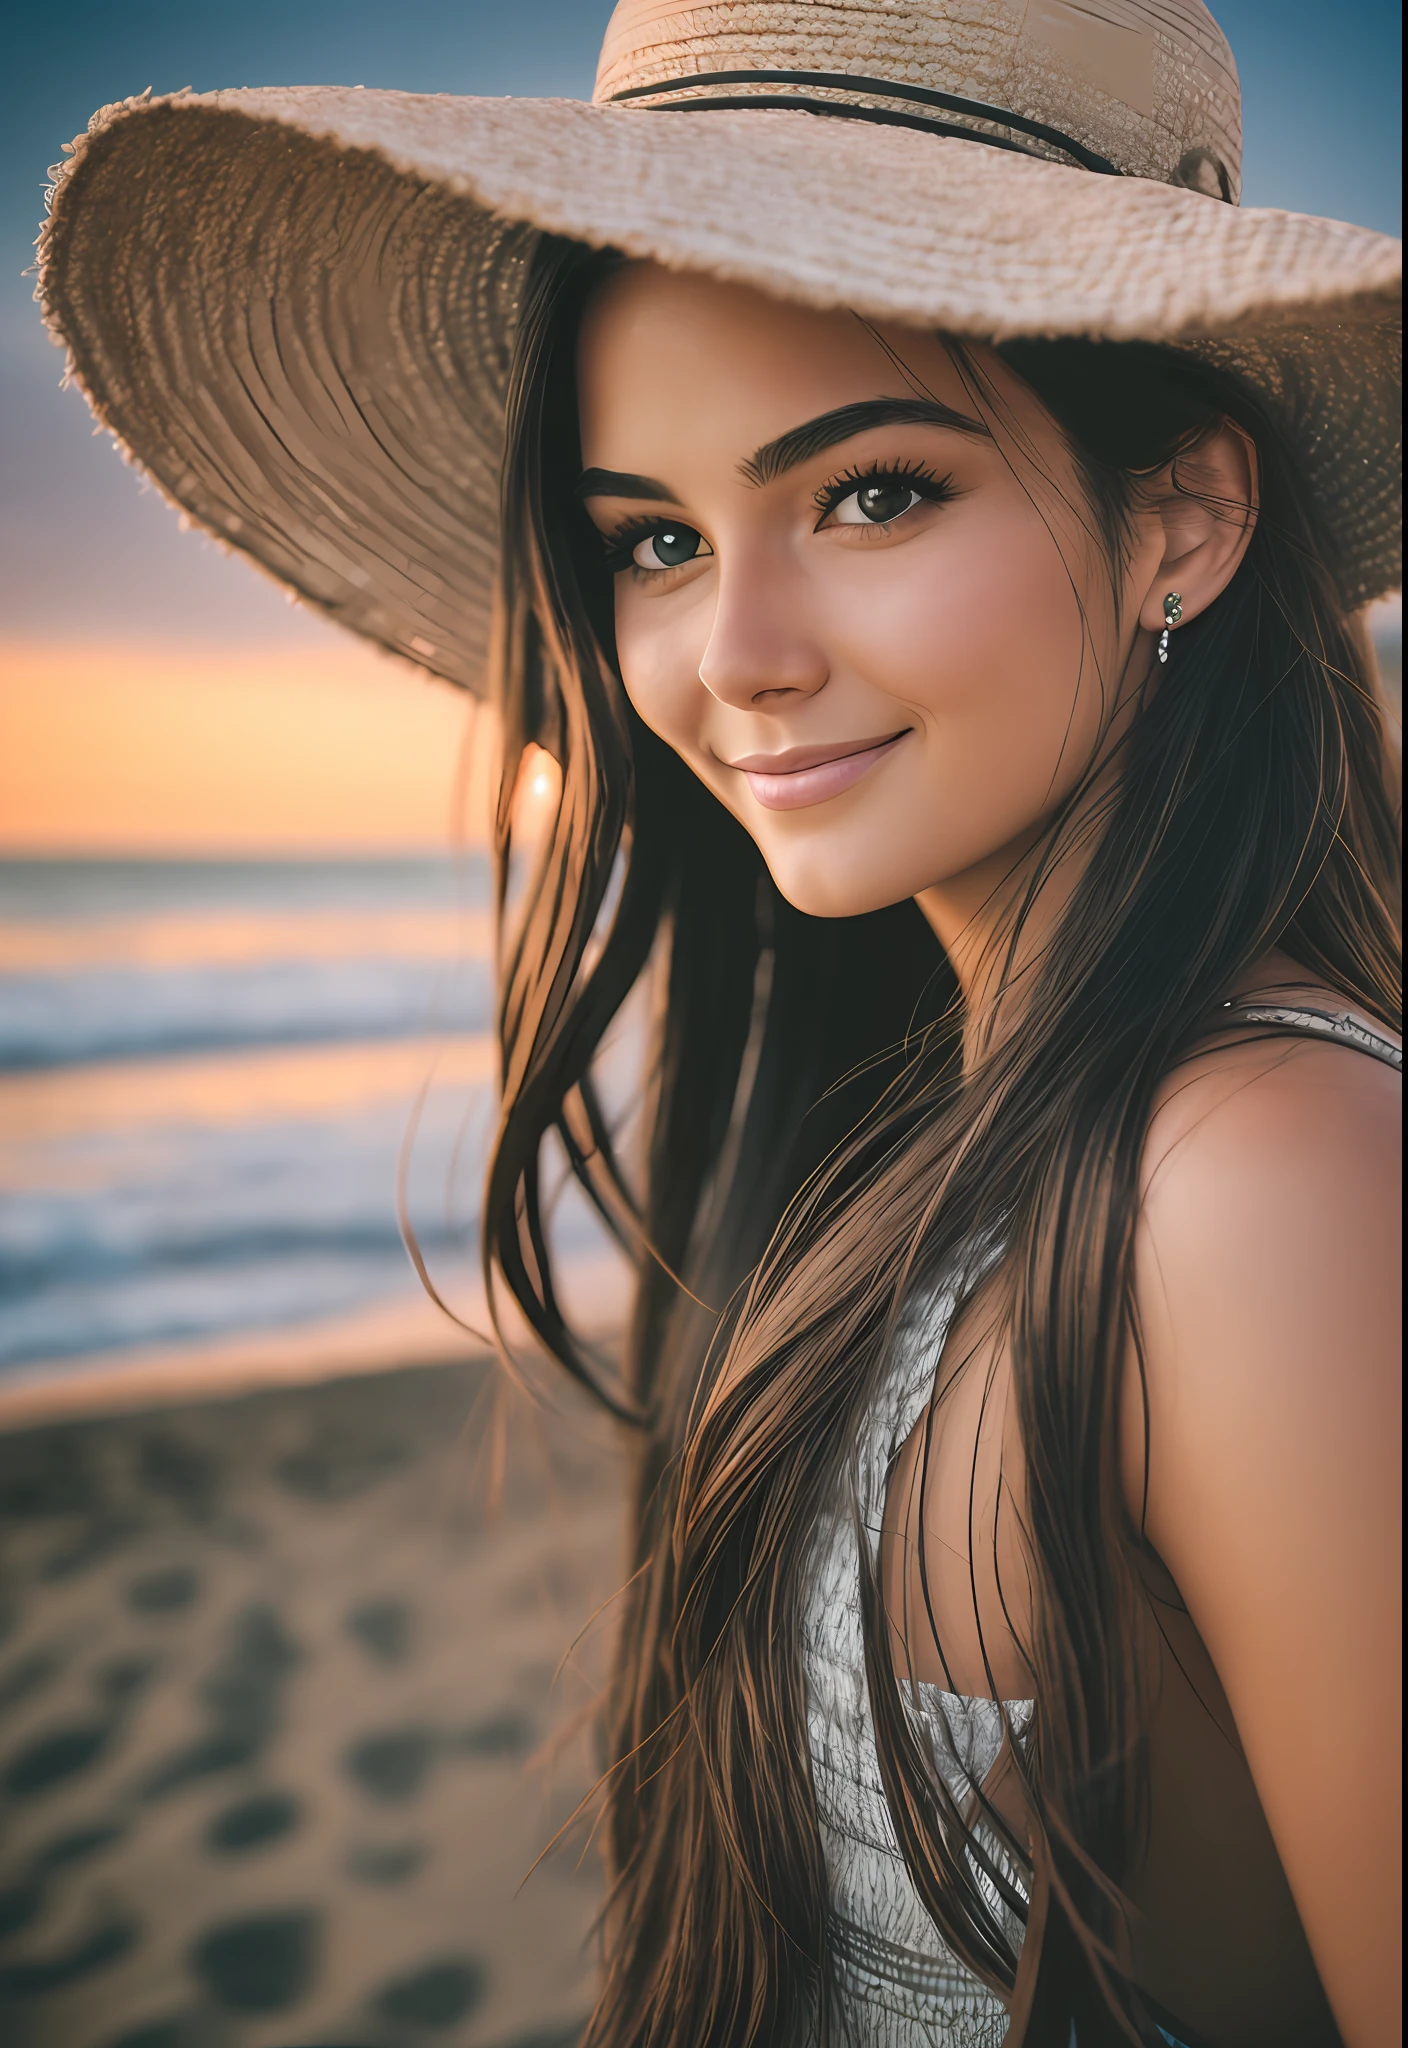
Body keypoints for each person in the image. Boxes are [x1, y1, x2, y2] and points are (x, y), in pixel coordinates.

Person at [38, 3, 1401, 2042]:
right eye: (652, 541)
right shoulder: (955, 1132)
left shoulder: (1259, 1183)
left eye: (868, 495)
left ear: (1180, 522)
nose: (733, 656)